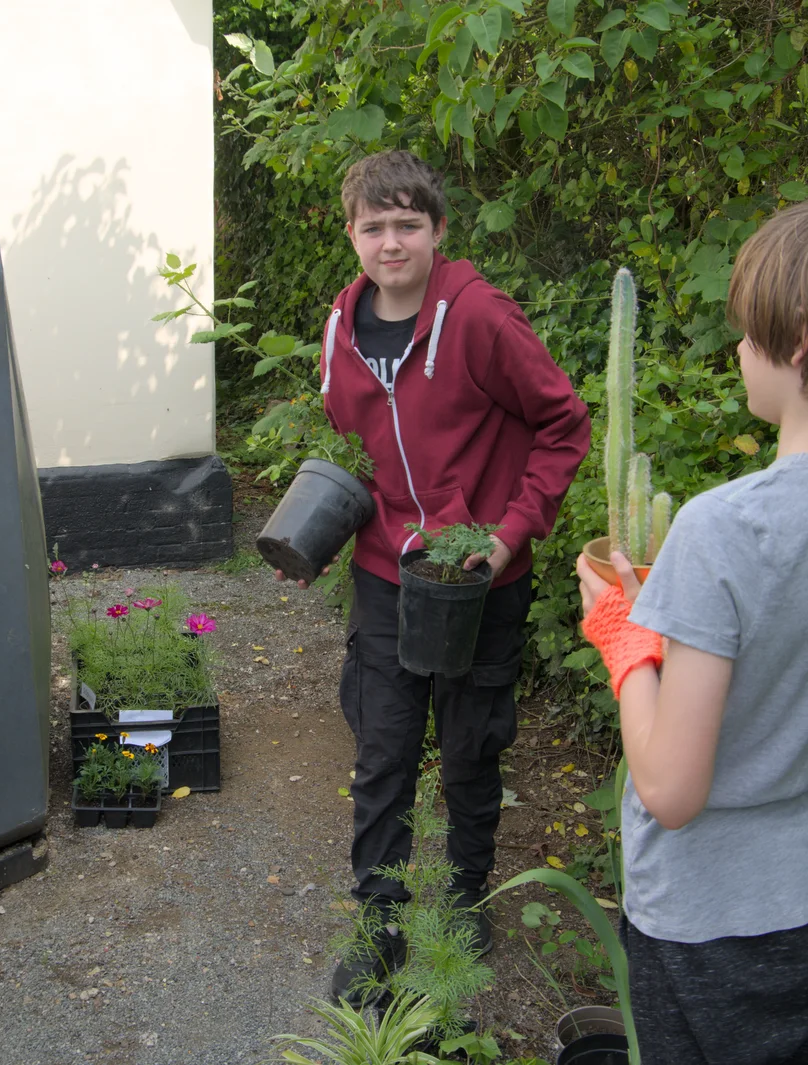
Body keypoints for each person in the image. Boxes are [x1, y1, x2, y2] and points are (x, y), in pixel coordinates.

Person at [576, 192, 808, 1064]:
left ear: (798, 345)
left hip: (713, 916)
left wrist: (621, 637)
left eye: (748, 335)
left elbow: (672, 792)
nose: (739, 350)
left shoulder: (725, 525)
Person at [288, 150, 590, 1004]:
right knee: (382, 751)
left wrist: (508, 537)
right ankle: (378, 925)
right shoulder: (340, 330)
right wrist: (313, 536)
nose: (391, 243)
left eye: (408, 225)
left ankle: (465, 899)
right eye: (374, 226)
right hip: (388, 577)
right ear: (351, 233)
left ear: (438, 230)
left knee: (468, 749)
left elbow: (564, 424)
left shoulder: (480, 318)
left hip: (480, 577)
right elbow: (357, 454)